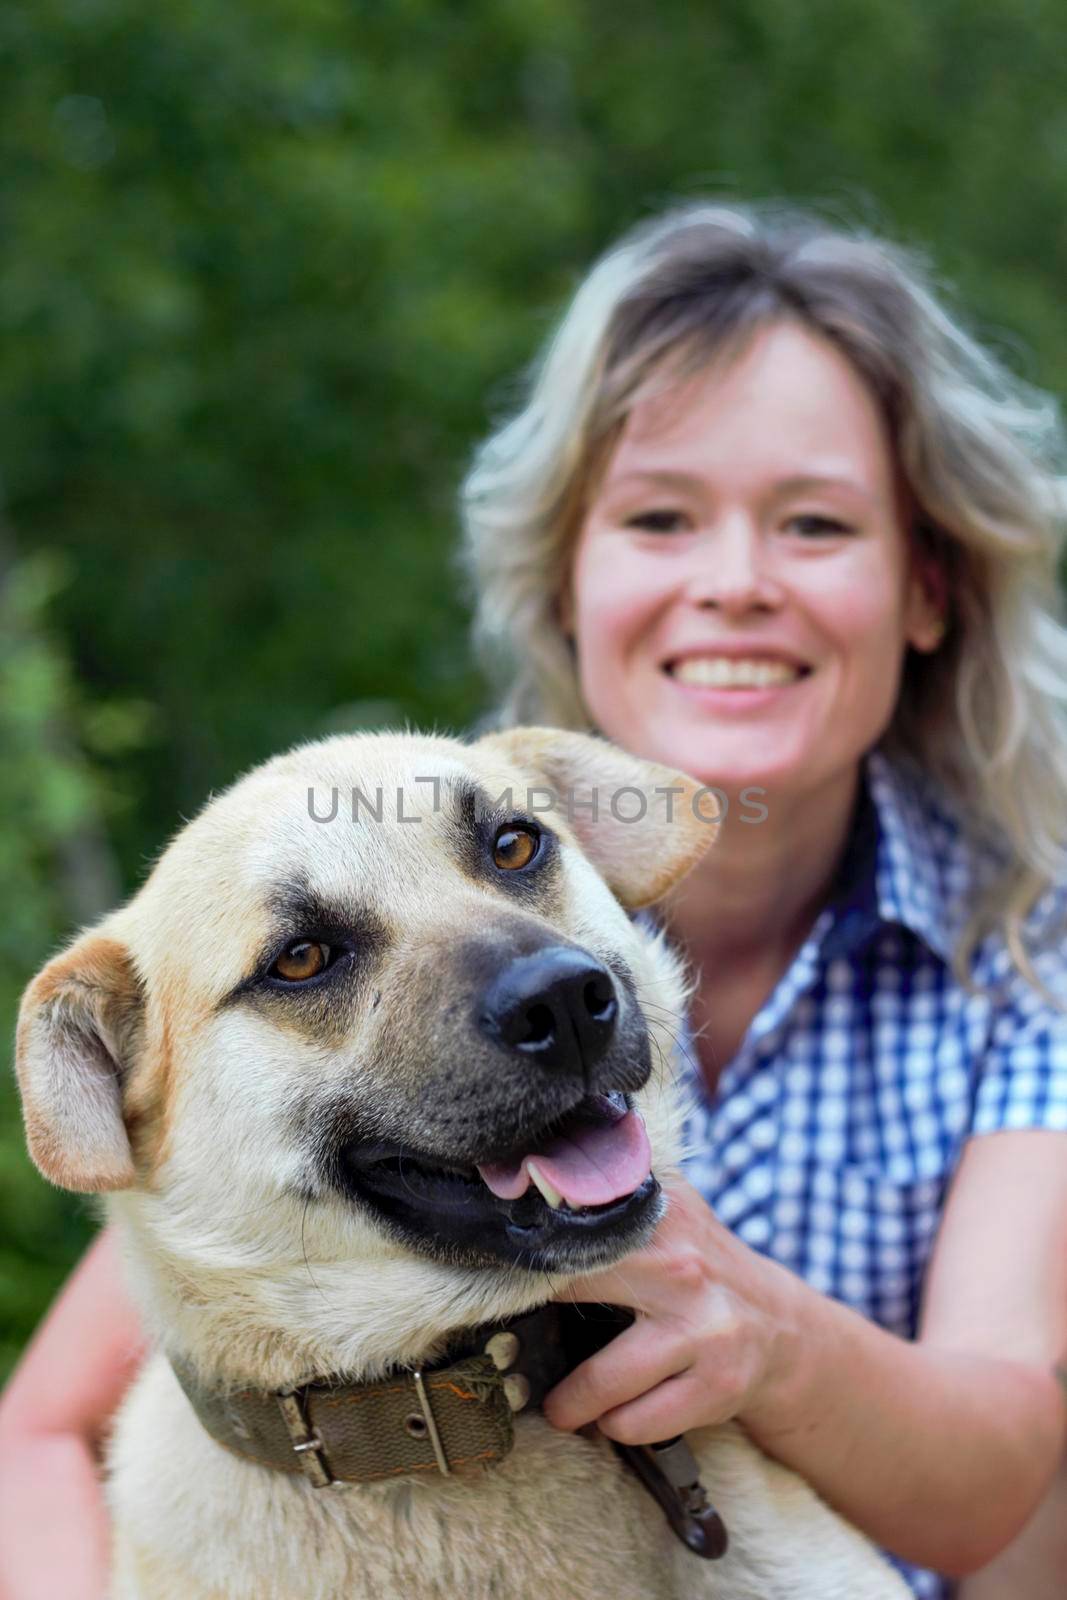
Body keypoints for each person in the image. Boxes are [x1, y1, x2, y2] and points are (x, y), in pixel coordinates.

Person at [2, 201, 1066, 1600]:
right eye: (660, 518)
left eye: (814, 524)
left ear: (926, 584)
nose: (734, 584)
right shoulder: (383, 808)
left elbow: (1006, 1478)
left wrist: (763, 1331)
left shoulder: (1030, 950)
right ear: (566, 575)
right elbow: (52, 1410)